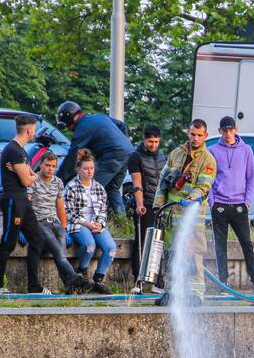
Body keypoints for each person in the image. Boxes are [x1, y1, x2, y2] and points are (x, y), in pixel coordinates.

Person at [152, 119, 216, 302]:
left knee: (193, 256)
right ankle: (172, 291)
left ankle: (196, 294)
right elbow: (162, 183)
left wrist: (191, 198)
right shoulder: (176, 154)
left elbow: (204, 186)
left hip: (191, 220)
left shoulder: (208, 160)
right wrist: (158, 206)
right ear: (188, 133)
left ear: (205, 136)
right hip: (171, 218)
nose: (195, 138)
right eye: (192, 134)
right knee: (172, 254)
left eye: (199, 135)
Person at [208, 116, 254, 295]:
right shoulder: (212, 150)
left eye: (231, 130)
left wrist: (247, 202)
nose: (228, 134)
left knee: (246, 243)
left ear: (236, 129)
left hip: (239, 205)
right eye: (224, 130)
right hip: (220, 205)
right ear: (220, 131)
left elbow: (250, 178)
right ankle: (223, 283)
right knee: (220, 245)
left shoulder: (246, 150)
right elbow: (208, 179)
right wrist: (212, 202)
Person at [0, 114, 46, 294]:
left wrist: (30, 174)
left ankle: (34, 286)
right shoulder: (13, 150)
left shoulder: (21, 152)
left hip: (24, 201)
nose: (35, 133)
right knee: (8, 242)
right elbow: (27, 180)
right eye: (35, 130)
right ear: (29, 130)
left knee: (37, 240)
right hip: (14, 200)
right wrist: (33, 175)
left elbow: (29, 174)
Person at [55, 100, 134, 216]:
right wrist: (124, 143)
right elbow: (122, 125)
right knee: (112, 189)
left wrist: (59, 180)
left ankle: (86, 222)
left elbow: (71, 158)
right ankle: (123, 224)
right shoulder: (99, 116)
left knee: (90, 188)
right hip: (129, 152)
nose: (69, 129)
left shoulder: (82, 128)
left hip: (113, 156)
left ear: (69, 120)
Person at [28, 151, 90, 294]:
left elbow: (60, 206)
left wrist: (64, 226)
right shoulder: (33, 180)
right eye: (47, 165)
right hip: (40, 222)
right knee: (59, 253)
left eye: (53, 166)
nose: (50, 169)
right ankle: (76, 278)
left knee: (61, 253)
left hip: (55, 222)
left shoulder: (58, 182)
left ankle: (69, 285)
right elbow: (27, 203)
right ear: (40, 165)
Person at [63, 149, 117, 294]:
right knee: (89, 246)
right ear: (78, 169)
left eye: (91, 168)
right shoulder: (71, 187)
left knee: (111, 248)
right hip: (78, 223)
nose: (89, 171)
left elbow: (103, 211)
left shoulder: (99, 188)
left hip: (95, 224)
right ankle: (81, 274)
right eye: (85, 168)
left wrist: (100, 223)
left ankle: (98, 280)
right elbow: (67, 212)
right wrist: (86, 223)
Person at [126, 125, 166, 277]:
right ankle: (138, 277)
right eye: (150, 141)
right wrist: (140, 205)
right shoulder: (135, 157)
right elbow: (137, 184)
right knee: (142, 242)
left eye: (156, 142)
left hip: (160, 204)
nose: (153, 145)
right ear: (144, 140)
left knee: (158, 243)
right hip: (146, 203)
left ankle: (157, 278)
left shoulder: (163, 156)